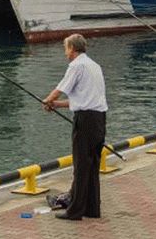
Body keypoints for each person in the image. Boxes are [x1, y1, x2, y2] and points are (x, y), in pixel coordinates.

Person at [43, 34, 108, 221]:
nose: (65, 53)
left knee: (81, 165)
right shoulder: (95, 66)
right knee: (92, 164)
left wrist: (48, 100)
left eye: (66, 48)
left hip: (85, 120)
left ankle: (75, 211)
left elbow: (61, 88)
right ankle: (92, 209)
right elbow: (81, 99)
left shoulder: (76, 65)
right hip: (99, 118)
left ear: (72, 48)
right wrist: (56, 105)